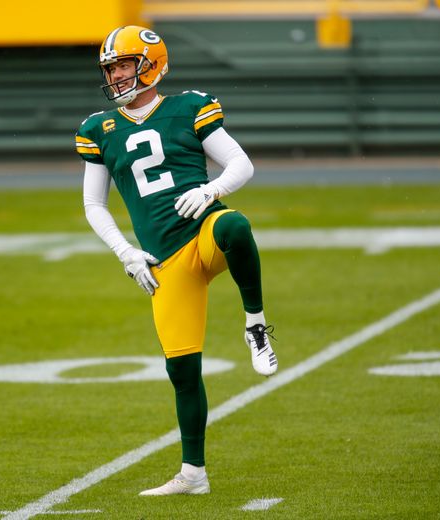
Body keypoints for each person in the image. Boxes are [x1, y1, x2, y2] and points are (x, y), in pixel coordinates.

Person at [75, 25, 278, 496]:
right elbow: (93, 205)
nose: (117, 75)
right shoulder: (99, 129)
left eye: (124, 64)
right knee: (182, 371)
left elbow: (241, 164)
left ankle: (256, 323)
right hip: (163, 260)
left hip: (202, 232)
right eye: (111, 68)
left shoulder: (187, 107)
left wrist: (211, 190)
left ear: (151, 63)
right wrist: (126, 252)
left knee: (235, 225)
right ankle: (194, 476)